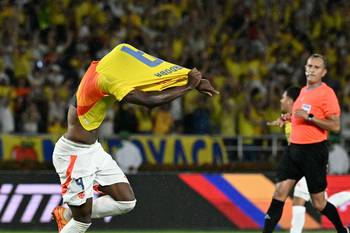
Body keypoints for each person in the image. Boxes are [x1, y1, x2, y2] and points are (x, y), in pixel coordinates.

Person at [51, 43, 219, 233]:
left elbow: (148, 67)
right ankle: (71, 216)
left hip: (92, 150)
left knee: (126, 202)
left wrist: (185, 79)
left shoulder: (102, 66)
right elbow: (148, 102)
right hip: (73, 153)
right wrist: (189, 85)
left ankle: (65, 214)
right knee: (83, 221)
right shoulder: (107, 79)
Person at [262, 54, 348, 233]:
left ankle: (342, 230)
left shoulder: (327, 93)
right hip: (294, 150)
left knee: (319, 204)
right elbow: (298, 115)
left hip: (314, 151)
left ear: (324, 72)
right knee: (279, 194)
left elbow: (335, 125)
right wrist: (287, 118)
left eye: (316, 67)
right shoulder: (302, 92)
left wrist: (309, 117)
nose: (311, 70)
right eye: (309, 66)